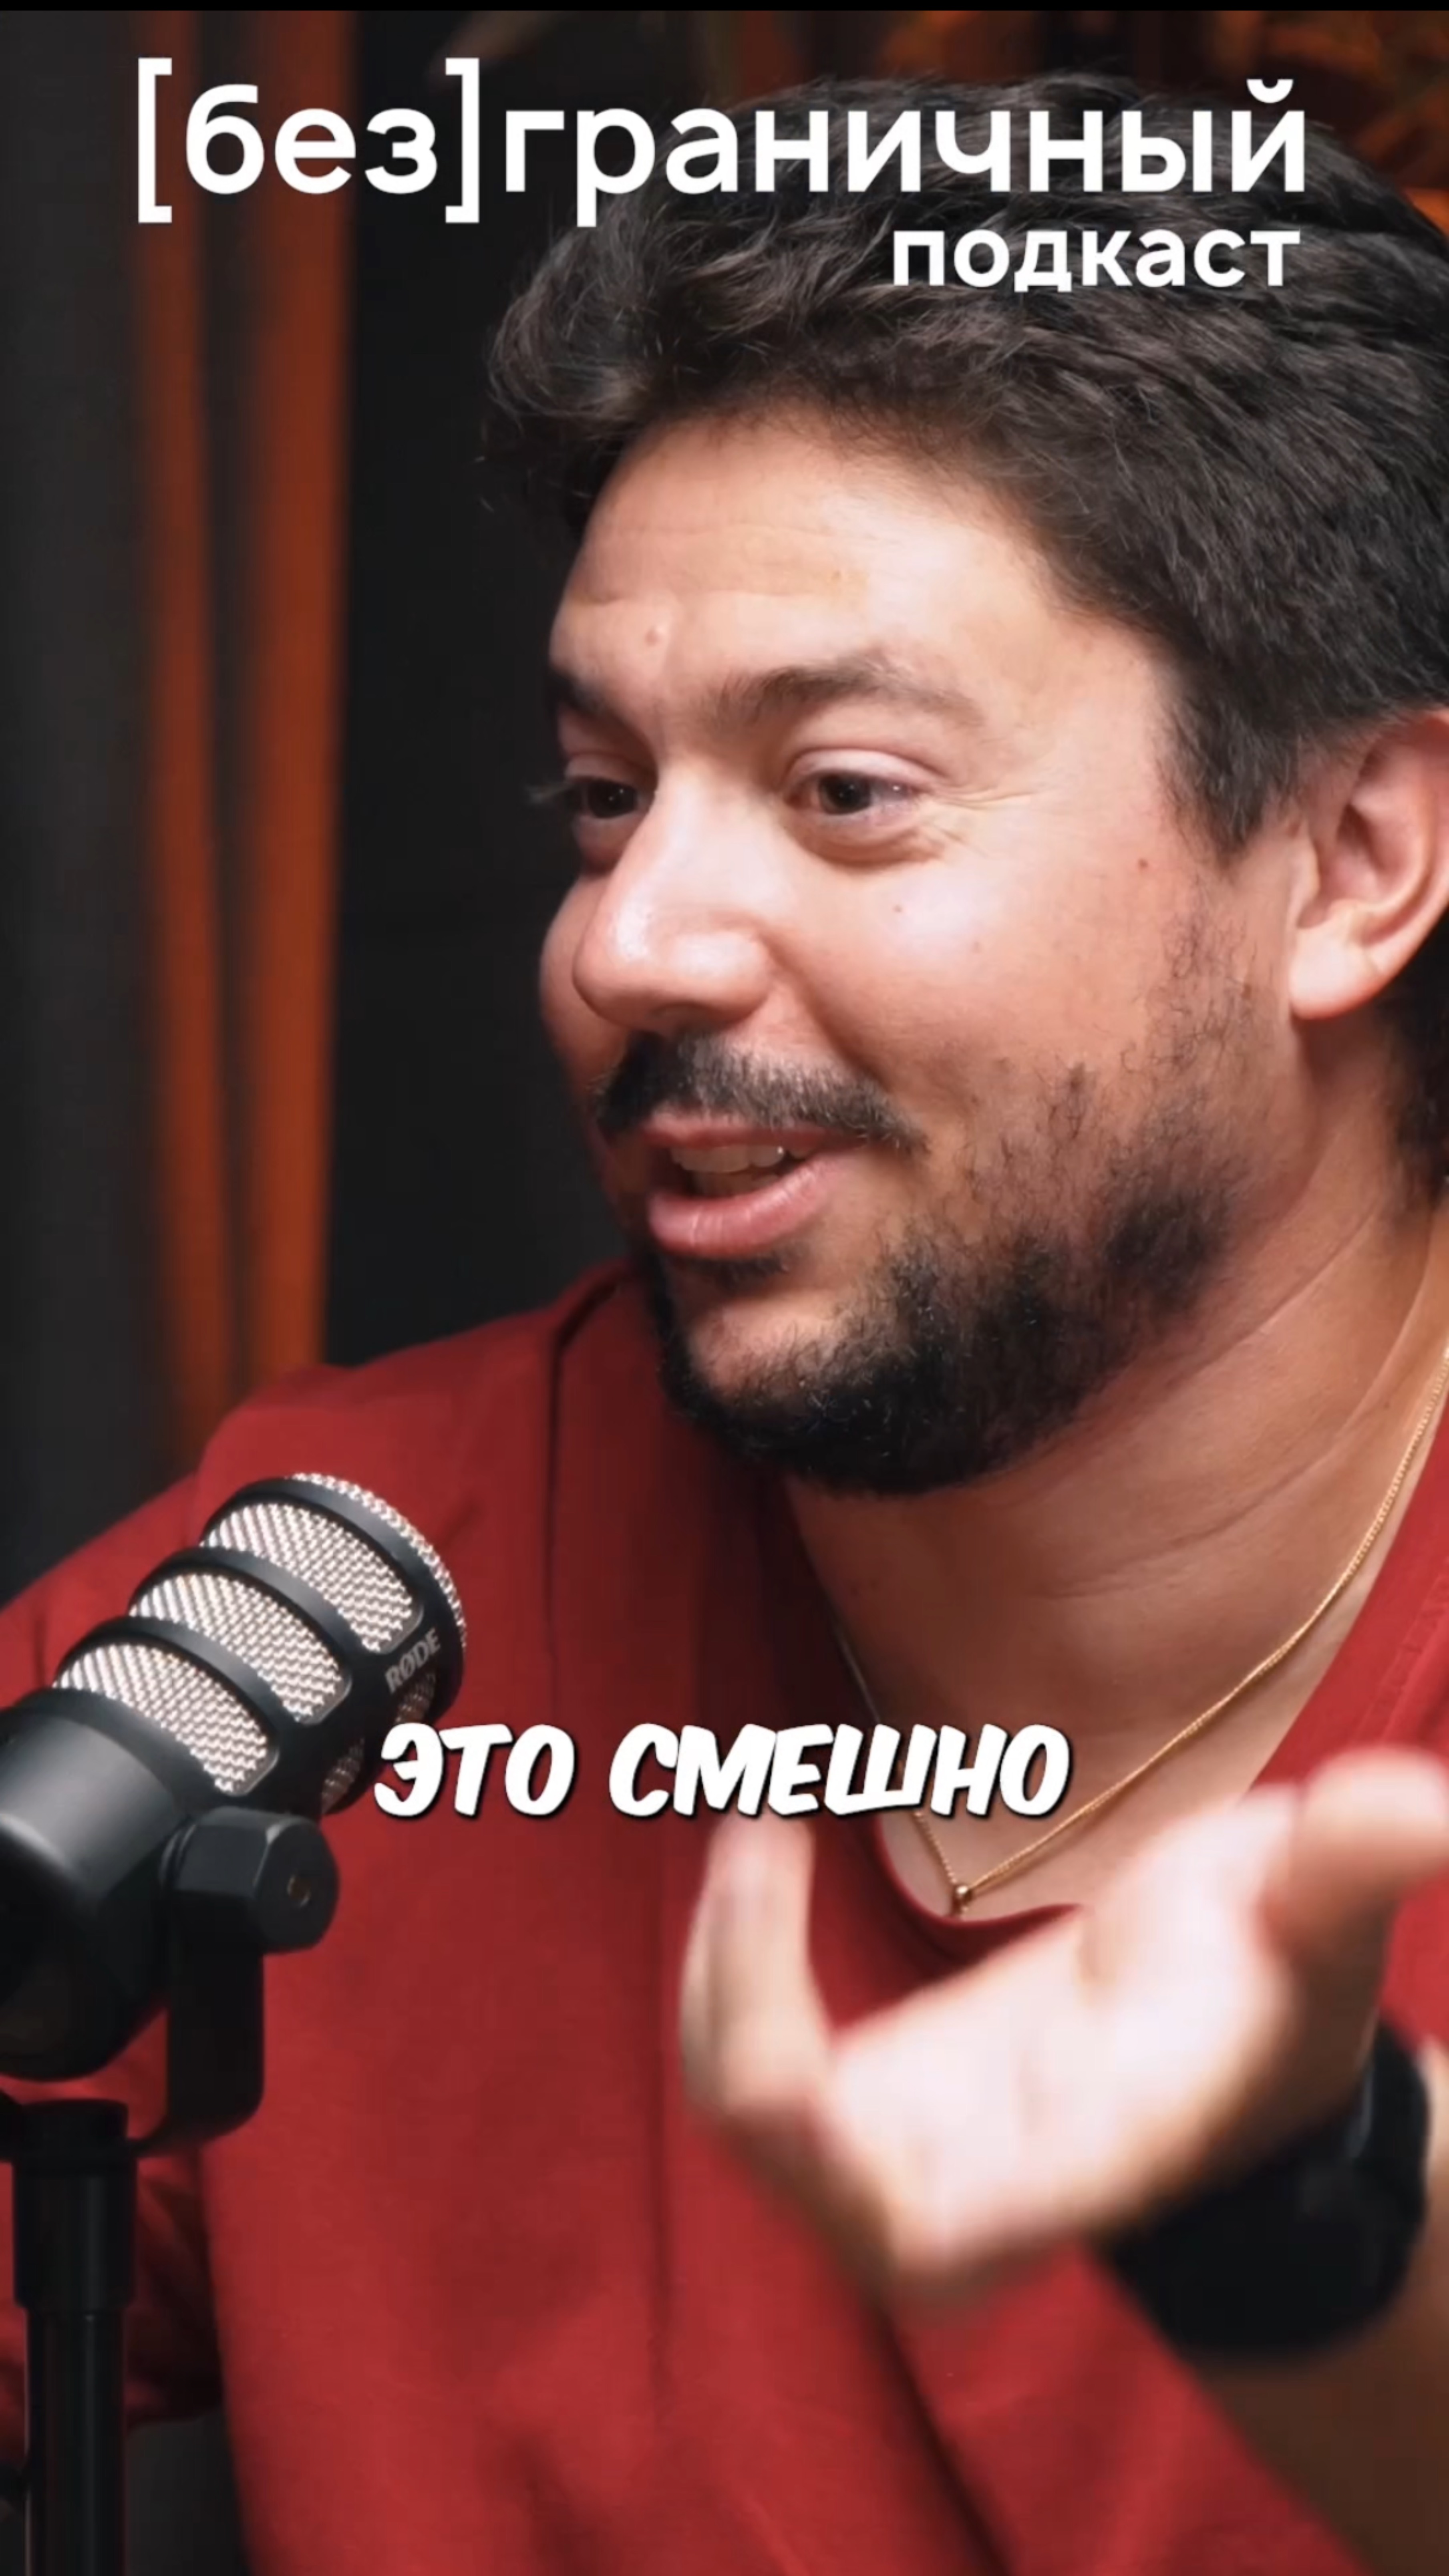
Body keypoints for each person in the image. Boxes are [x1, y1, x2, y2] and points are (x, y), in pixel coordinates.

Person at [3, 65, 1449, 2576]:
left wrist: (1307, 2236)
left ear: (1347, 859)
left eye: (846, 788)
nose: (631, 942)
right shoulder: (342, 1608)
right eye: (603, 795)